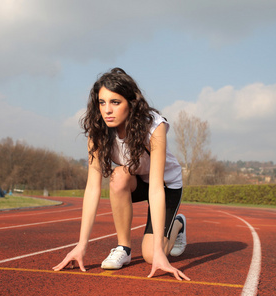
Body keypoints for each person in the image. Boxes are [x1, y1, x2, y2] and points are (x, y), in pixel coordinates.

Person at [53, 68, 189, 281]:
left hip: (164, 184)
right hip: (135, 179)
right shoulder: (98, 131)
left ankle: (177, 224)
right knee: (117, 176)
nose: (107, 110)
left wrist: (161, 254)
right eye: (102, 102)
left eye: (115, 102)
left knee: (152, 256)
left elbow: (155, 188)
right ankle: (123, 249)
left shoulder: (153, 126)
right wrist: (81, 245)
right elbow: (92, 188)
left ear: (131, 103)